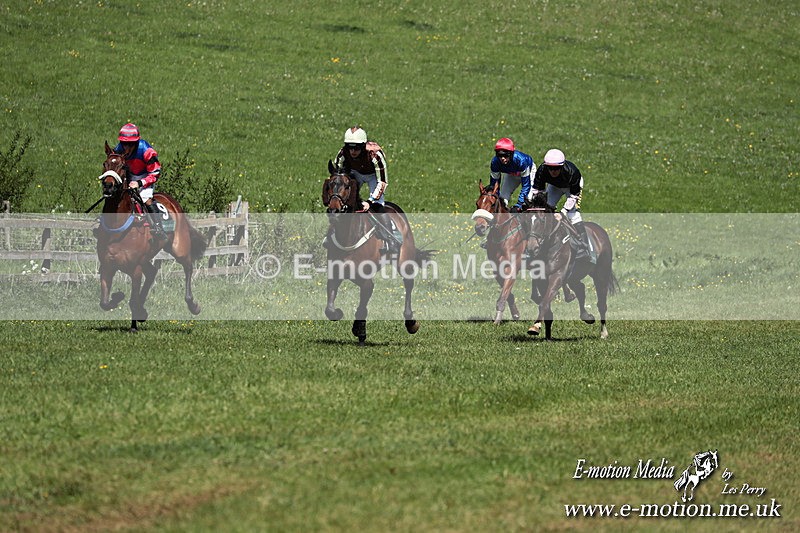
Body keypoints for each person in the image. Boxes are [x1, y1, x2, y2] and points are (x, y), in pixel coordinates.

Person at [331, 126, 401, 254]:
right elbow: (339, 176)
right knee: (344, 202)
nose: (353, 151)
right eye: (350, 147)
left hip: (374, 176)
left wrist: (370, 201)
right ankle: (332, 234)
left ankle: (391, 238)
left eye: (357, 147)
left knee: (378, 205)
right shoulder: (342, 154)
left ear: (363, 146)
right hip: (355, 173)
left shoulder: (375, 156)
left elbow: (383, 182)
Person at [530, 148, 594, 262]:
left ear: (562, 166)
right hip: (554, 186)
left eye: (557, 168)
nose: (553, 171)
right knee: (545, 211)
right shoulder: (542, 170)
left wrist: (563, 212)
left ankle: (585, 248)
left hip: (572, 188)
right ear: (546, 166)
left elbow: (573, 196)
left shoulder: (573, 172)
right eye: (550, 168)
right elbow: (536, 191)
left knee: (573, 215)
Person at [114, 123, 166, 240]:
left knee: (145, 198)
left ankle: (158, 227)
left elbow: (155, 173)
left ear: (136, 142)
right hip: (129, 177)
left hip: (146, 177)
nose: (126, 147)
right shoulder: (119, 149)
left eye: (130, 144)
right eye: (124, 143)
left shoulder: (147, 151)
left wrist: (140, 183)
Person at [488, 138, 535, 212]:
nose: (503, 158)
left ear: (511, 154)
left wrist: (519, 205)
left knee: (529, 198)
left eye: (506, 155)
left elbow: (526, 185)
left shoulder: (521, 161)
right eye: (500, 155)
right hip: (511, 174)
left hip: (528, 173)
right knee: (502, 199)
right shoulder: (495, 162)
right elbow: (494, 185)